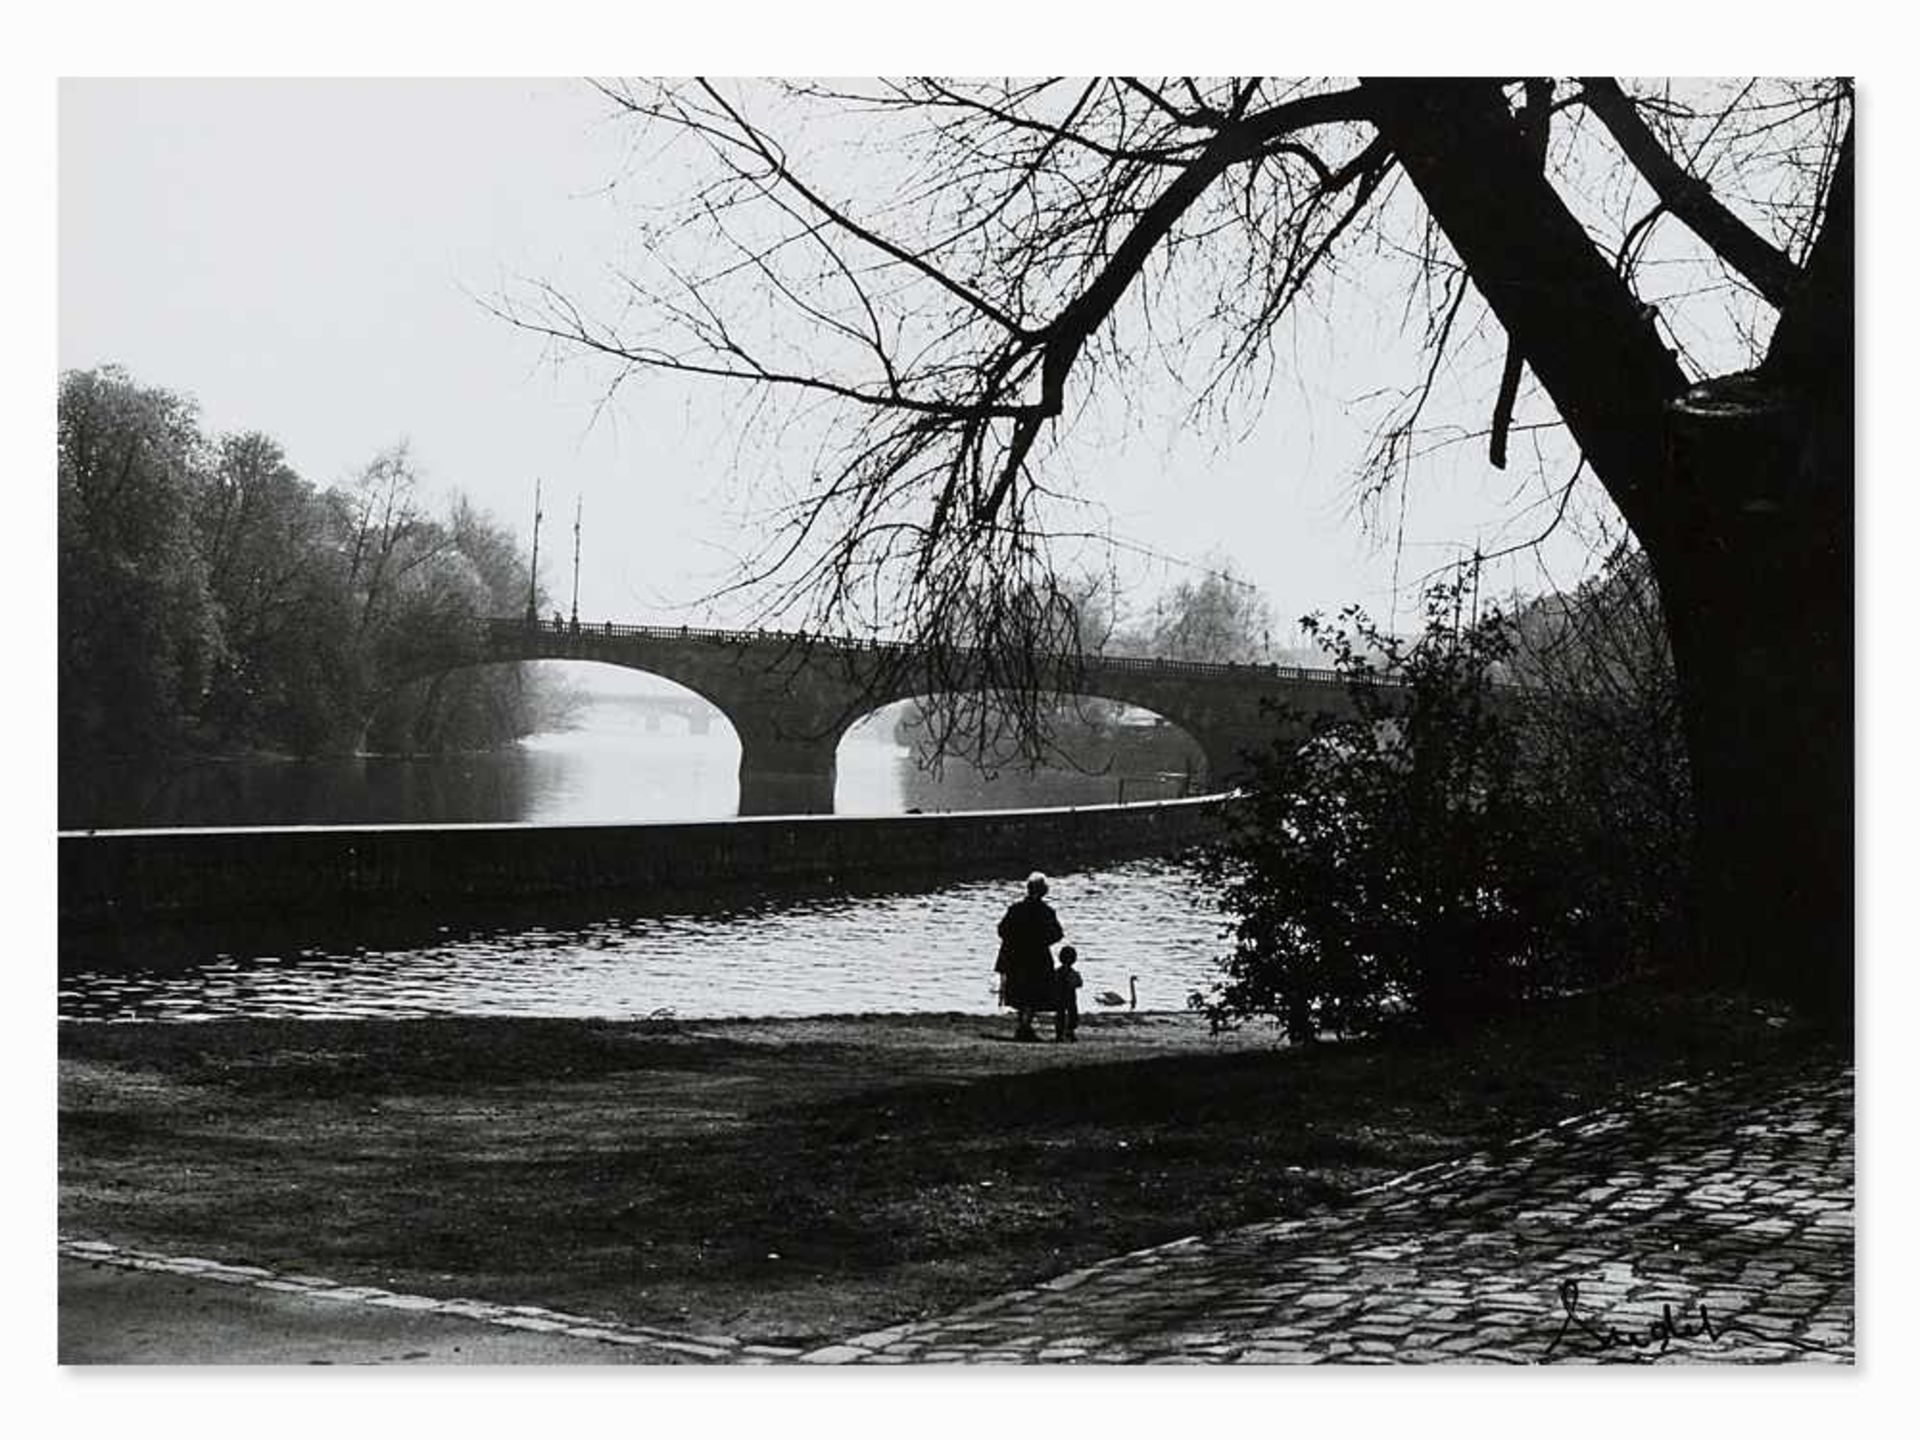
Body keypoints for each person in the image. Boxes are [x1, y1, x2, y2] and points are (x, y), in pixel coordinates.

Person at [995, 871, 1062, 1042]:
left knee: (1019, 991)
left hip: (1015, 957)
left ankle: (1023, 1026)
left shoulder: (1015, 909)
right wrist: (1041, 942)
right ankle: (1025, 1026)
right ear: (1044, 891)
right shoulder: (1046, 912)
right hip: (1037, 957)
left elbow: (1002, 930)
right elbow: (1057, 934)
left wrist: (1015, 941)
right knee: (1034, 993)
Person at [1053, 945, 1083, 1042]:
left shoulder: (1057, 972)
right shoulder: (1073, 973)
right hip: (1070, 997)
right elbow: (1079, 984)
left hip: (1059, 997)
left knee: (1060, 1015)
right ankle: (1069, 1031)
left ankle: (1060, 1033)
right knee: (1072, 1015)